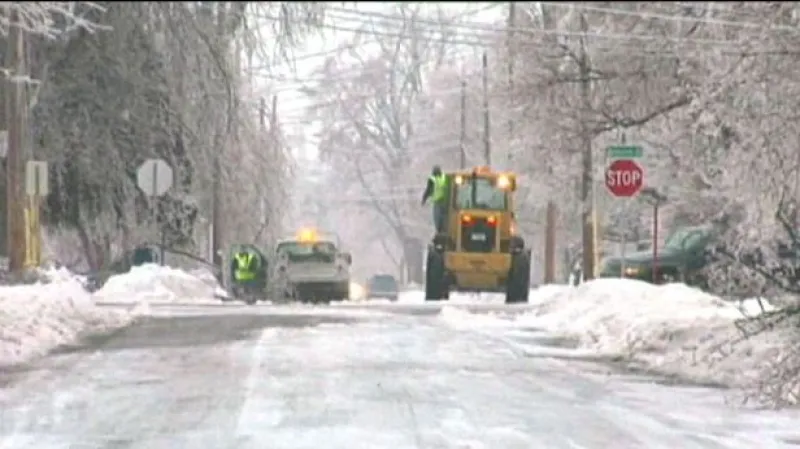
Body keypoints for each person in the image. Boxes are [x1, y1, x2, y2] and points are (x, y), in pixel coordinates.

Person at [421, 165, 448, 233]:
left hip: (438, 202)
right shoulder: (445, 177)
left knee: (437, 218)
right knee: (444, 217)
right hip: (446, 202)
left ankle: (439, 231)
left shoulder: (432, 179)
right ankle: (444, 229)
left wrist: (424, 199)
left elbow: (428, 190)